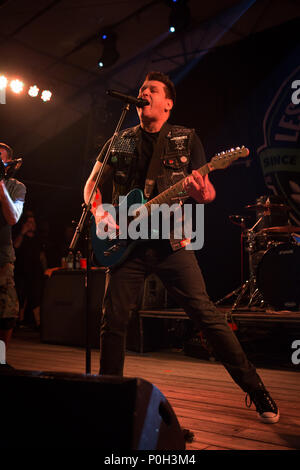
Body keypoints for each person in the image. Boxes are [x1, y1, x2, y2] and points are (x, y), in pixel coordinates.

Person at [84, 71, 279, 424]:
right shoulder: (121, 140)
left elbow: (207, 194)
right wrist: (100, 214)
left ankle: (256, 389)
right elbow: (92, 186)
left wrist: (200, 190)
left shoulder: (186, 139)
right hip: (126, 247)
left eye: (152, 90)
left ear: (168, 103)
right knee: (112, 320)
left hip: (171, 243)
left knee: (207, 316)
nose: (144, 93)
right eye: (142, 89)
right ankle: (108, 394)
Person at [0, 142, 26, 347]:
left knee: (7, 311)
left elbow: (13, 218)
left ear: (8, 163)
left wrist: (0, 184)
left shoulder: (16, 186)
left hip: (2, 257)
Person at [13, 211, 44, 328]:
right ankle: (18, 322)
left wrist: (45, 270)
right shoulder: (20, 235)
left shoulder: (37, 238)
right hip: (21, 271)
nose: (31, 224)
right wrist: (22, 232)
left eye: (33, 222)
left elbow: (41, 255)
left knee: (36, 296)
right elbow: (15, 246)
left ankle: (39, 324)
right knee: (21, 296)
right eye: (29, 222)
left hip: (35, 271)